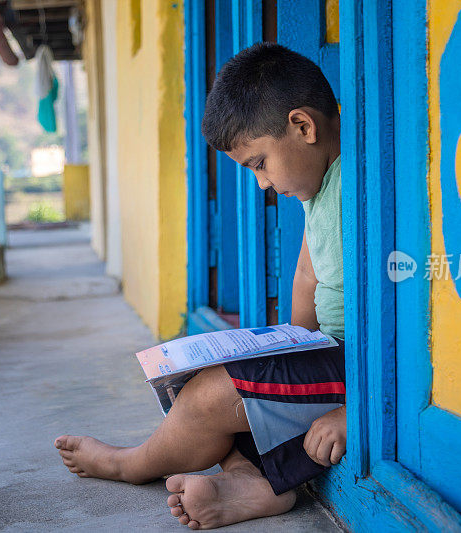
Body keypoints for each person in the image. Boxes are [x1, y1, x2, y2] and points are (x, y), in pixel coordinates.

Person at [54, 41, 346, 530]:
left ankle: (130, 464)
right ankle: (253, 482)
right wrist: (291, 353)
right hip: (327, 355)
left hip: (361, 369)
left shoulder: (364, 185)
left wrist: (354, 412)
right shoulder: (315, 187)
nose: (262, 184)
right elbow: (307, 276)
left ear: (303, 126)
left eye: (258, 163)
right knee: (194, 376)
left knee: (213, 395)